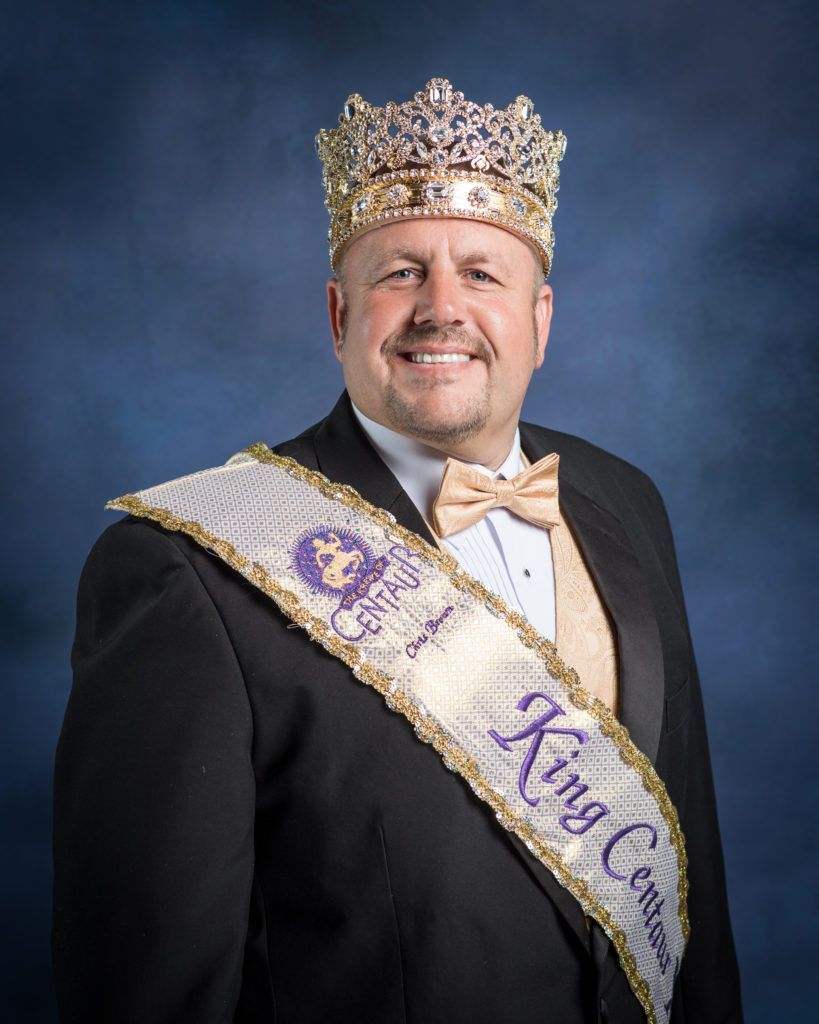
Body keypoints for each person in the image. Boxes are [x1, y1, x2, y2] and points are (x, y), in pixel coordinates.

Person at [53, 78, 743, 1023]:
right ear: (340, 316)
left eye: (482, 275)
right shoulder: (190, 568)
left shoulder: (625, 500)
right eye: (401, 273)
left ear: (540, 321)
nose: (440, 309)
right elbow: (149, 987)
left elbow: (688, 883)